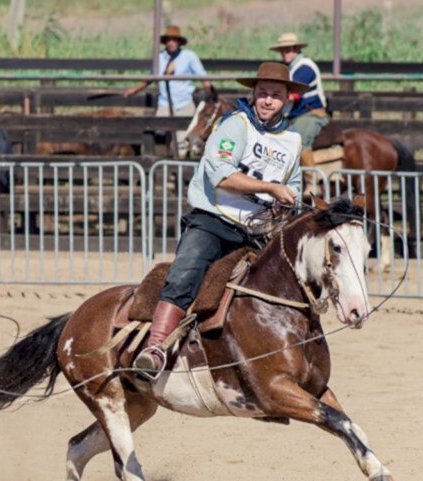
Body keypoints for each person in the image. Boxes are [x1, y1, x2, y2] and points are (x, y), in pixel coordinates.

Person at [134, 62, 306, 380]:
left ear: (287, 99)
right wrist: (271, 189)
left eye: (275, 95)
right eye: (263, 94)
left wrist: (290, 202)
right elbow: (222, 177)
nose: (268, 101)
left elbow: (294, 184)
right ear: (253, 94)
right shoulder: (234, 125)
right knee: (185, 274)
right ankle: (155, 348)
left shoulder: (293, 141)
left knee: (284, 285)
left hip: (256, 230)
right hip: (213, 220)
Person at [124, 25, 214, 159]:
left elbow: (203, 76)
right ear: (165, 42)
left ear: (178, 41)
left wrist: (211, 94)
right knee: (158, 132)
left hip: (184, 102)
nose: (171, 43)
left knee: (184, 138)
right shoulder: (160, 58)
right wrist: (135, 89)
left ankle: (179, 168)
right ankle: (159, 163)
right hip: (165, 102)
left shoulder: (189, 57)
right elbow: (151, 78)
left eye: (174, 40)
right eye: (168, 40)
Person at [269, 32, 328, 166]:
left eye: (288, 49)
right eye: (282, 50)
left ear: (296, 49)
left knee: (300, 140)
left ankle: (312, 181)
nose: (285, 53)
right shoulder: (293, 68)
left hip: (311, 114)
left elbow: (293, 96)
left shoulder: (304, 67)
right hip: (298, 114)